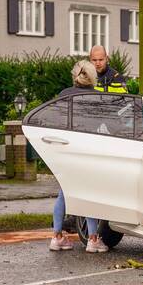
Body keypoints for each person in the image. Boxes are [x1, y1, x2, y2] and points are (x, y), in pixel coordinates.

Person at [50, 60, 105, 253]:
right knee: (88, 193)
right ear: (93, 77)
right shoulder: (98, 98)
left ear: (75, 76)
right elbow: (105, 127)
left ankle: (57, 237)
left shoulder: (63, 96)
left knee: (64, 193)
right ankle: (92, 239)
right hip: (87, 152)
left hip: (64, 151)